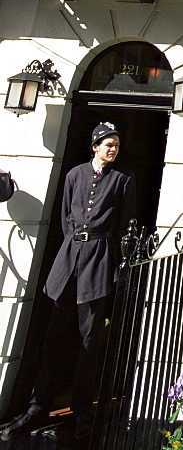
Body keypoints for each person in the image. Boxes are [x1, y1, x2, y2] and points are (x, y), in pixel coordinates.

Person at [1, 122, 136, 445]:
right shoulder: (74, 175)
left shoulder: (123, 180)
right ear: (95, 146)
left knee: (89, 343)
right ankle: (37, 405)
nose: (113, 149)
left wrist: (111, 260)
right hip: (68, 261)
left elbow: (126, 224)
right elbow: (64, 218)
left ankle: (82, 412)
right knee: (53, 338)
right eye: (108, 144)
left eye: (116, 145)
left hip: (98, 261)